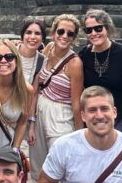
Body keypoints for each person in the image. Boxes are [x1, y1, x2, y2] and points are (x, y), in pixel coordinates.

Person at [29, 14, 83, 172]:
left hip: (60, 115)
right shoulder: (48, 49)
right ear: (53, 33)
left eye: (70, 33)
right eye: (61, 31)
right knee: (39, 165)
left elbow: (76, 103)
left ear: (74, 38)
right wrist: (31, 123)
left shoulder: (74, 64)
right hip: (40, 109)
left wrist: (80, 136)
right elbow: (36, 88)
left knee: (60, 163)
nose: (64, 36)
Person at [78, 9, 122, 138]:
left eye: (98, 28)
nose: (93, 33)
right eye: (88, 30)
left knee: (116, 146)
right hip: (98, 115)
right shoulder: (84, 55)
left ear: (107, 28)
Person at [0, 40, 33, 183]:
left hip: (6, 148)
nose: (3, 61)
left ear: (16, 59)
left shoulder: (26, 89)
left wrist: (15, 149)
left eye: (8, 57)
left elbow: (22, 122)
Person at [17, 17, 46, 85]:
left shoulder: (42, 61)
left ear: (42, 39)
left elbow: (35, 91)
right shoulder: (9, 54)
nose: (33, 37)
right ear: (22, 36)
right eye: (28, 32)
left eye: (37, 33)